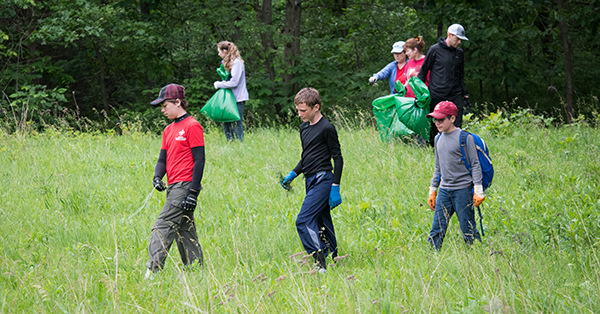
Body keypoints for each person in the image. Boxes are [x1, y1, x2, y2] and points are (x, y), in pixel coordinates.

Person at [280, 87, 344, 273]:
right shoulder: (304, 128)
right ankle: (334, 257)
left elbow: (338, 158)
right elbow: (307, 156)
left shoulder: (327, 128)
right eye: (298, 110)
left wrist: (335, 186)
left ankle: (319, 262)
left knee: (303, 220)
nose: (299, 114)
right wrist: (293, 174)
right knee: (320, 220)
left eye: (303, 111)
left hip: (324, 180)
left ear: (316, 107)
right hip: (309, 179)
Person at [145, 84, 205, 279]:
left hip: (185, 185)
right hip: (173, 186)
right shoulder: (168, 129)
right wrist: (157, 177)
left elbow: (199, 160)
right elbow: (163, 158)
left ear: (178, 102)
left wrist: (193, 192)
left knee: (162, 225)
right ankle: (196, 271)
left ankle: (152, 272)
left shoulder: (192, 126)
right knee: (184, 229)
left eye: (165, 105)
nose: (162, 110)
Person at [426, 101, 485, 250]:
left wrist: (478, 189)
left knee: (468, 228)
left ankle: (476, 254)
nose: (437, 123)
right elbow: (438, 167)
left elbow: (475, 165)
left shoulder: (465, 138)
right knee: (437, 228)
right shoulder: (437, 139)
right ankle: (431, 257)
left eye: (441, 119)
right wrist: (433, 189)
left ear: (452, 118)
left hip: (463, 191)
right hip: (444, 191)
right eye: (435, 119)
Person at [417, 24, 471, 144]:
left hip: (454, 94)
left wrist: (465, 95)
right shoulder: (434, 50)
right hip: (437, 94)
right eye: (457, 39)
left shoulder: (459, 53)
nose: (459, 42)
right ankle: (433, 148)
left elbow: (460, 76)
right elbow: (423, 73)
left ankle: (455, 147)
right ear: (449, 35)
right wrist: (420, 94)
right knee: (435, 125)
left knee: (456, 124)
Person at [214, 41, 249, 142]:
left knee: (236, 123)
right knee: (226, 122)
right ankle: (230, 144)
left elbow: (234, 82)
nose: (218, 54)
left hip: (238, 98)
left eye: (219, 51)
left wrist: (218, 84)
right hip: (227, 98)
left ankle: (240, 145)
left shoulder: (237, 63)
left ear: (225, 51)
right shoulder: (225, 63)